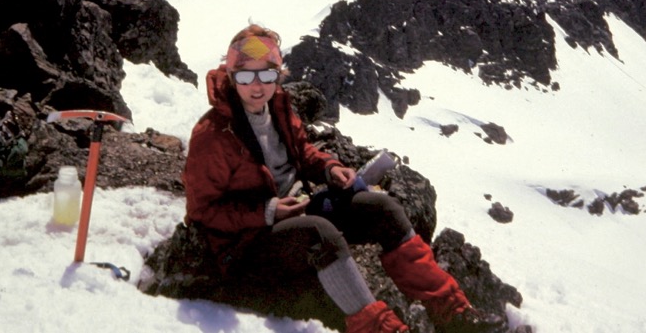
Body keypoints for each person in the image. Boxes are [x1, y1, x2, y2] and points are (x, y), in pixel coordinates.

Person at [184, 25, 505, 333]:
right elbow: (202, 212)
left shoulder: (279, 107)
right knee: (319, 234)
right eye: (245, 75)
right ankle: (377, 329)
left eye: (266, 74)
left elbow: (302, 150)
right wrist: (268, 211)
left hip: (296, 208)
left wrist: (329, 168)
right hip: (247, 244)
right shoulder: (212, 135)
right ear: (230, 75)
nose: (257, 86)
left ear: (278, 75)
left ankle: (454, 311)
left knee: (383, 208)